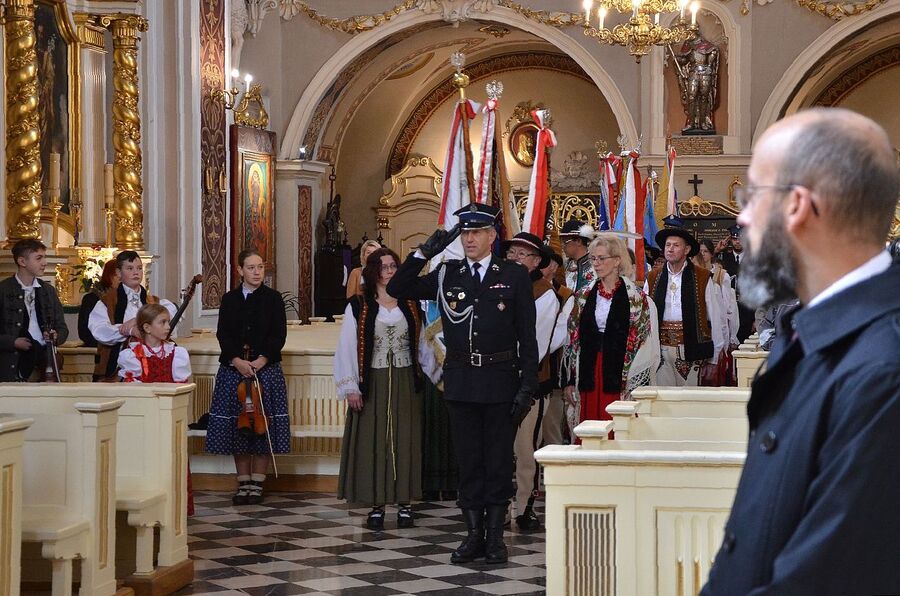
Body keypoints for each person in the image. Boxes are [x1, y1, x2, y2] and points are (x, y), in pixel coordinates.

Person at [701, 108, 900, 595]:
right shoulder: (811, 333)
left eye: (752, 196)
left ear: (797, 205)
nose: (742, 218)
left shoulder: (882, 370)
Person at [386, 203, 538, 565]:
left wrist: (527, 388)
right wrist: (424, 252)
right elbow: (397, 286)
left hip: (500, 382)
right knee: (469, 463)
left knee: (497, 463)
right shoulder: (447, 273)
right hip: (462, 383)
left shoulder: (513, 275)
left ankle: (495, 538)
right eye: (465, 233)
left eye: (477, 232)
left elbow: (527, 337)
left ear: (491, 236)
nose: (469, 239)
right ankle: (473, 535)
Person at [333, 247, 424, 530]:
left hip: (405, 380)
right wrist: (351, 387)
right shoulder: (359, 305)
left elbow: (423, 343)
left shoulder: (411, 303)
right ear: (373, 271)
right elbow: (347, 346)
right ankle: (377, 505)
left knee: (404, 440)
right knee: (374, 442)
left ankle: (405, 503)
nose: (389, 272)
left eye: (393, 266)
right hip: (372, 381)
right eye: (383, 267)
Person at [206, 249, 290, 506]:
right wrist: (237, 360)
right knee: (239, 427)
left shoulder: (273, 299)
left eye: (260, 267)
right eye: (251, 267)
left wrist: (262, 359)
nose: (256, 272)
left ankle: (257, 483)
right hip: (235, 369)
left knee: (263, 425)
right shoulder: (230, 299)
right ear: (240, 270)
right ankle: (243, 482)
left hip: (265, 369)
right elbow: (223, 334)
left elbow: (278, 335)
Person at [563, 234, 658, 435]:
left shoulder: (637, 299)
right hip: (589, 368)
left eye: (601, 258)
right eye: (593, 258)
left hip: (622, 372)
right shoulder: (583, 296)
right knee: (589, 425)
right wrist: (571, 380)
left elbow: (644, 343)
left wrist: (634, 381)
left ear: (617, 261)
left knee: (616, 424)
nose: (596, 263)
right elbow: (573, 342)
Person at [502, 232, 559, 533]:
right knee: (499, 447)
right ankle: (497, 506)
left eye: (522, 254)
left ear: (537, 262)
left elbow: (535, 342)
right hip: (497, 380)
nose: (514, 258)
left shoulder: (544, 293)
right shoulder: (498, 284)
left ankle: (524, 507)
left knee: (525, 447)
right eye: (512, 252)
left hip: (529, 380)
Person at [645, 226, 718, 386]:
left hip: (691, 348)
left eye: (676, 245)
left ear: (687, 250)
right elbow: (645, 315)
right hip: (660, 350)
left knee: (688, 397)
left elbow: (714, 318)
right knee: (662, 397)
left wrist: (714, 358)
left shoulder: (702, 277)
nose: (670, 249)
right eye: (667, 245)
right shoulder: (653, 277)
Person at [88, 251, 177, 381]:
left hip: (152, 366)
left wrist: (137, 320)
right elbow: (100, 331)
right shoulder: (107, 302)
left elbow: (169, 317)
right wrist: (127, 330)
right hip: (118, 369)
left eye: (139, 268)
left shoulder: (153, 301)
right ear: (119, 273)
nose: (136, 272)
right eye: (130, 268)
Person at [0, 239, 69, 381]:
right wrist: (13, 342)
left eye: (44, 257)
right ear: (22, 261)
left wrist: (56, 336)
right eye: (39, 258)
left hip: (45, 362)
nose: (44, 263)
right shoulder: (3, 290)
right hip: (13, 363)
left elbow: (62, 328)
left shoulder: (48, 291)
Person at [695, 239, 739, 384]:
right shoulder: (694, 274)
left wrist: (729, 334)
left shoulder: (720, 275)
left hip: (717, 323)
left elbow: (726, 306)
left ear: (711, 254)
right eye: (700, 252)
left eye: (705, 251)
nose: (702, 254)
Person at [540, 251, 573, 448]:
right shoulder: (526, 287)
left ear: (554, 267)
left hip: (553, 368)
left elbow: (562, 335)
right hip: (529, 372)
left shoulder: (565, 295)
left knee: (551, 425)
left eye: (544, 262)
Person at [118, 303, 191, 383]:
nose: (168, 327)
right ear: (147, 328)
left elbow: (180, 386)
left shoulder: (175, 353)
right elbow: (133, 388)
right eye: (163, 322)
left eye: (168, 322)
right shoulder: (134, 355)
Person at [715, 224, 755, 342]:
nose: (737, 242)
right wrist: (716, 251)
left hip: (747, 311)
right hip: (728, 311)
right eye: (734, 238)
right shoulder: (723, 258)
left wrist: (756, 319)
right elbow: (706, 266)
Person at [78, 259, 120, 347]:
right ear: (109, 276)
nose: (121, 279)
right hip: (100, 347)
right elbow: (84, 331)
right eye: (116, 275)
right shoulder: (92, 299)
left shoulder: (127, 298)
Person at [559, 218, 595, 294]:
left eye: (565, 242)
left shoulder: (596, 266)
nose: (562, 246)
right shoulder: (564, 266)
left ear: (578, 241)